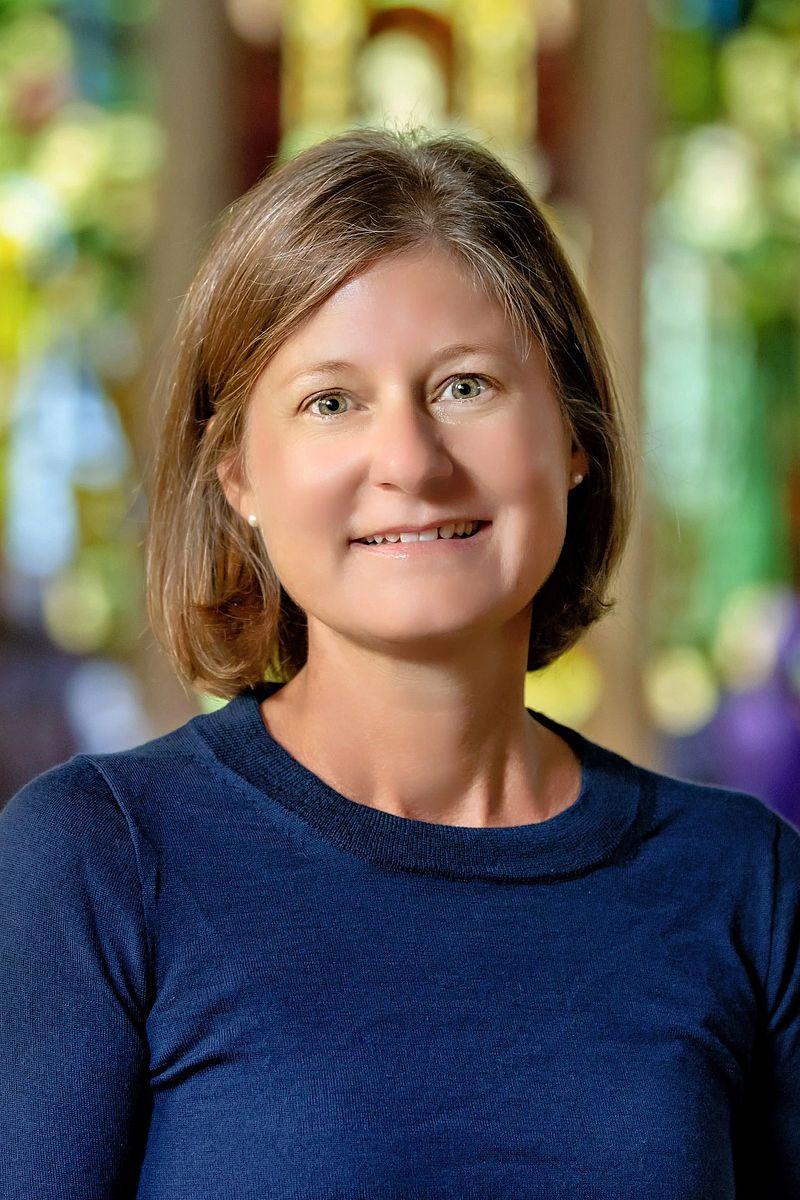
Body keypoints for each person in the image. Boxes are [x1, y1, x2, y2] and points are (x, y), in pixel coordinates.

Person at [1, 125, 798, 1200]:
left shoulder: (746, 882)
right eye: (331, 403)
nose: (411, 465)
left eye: (465, 386)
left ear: (571, 437)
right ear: (236, 474)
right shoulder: (96, 863)